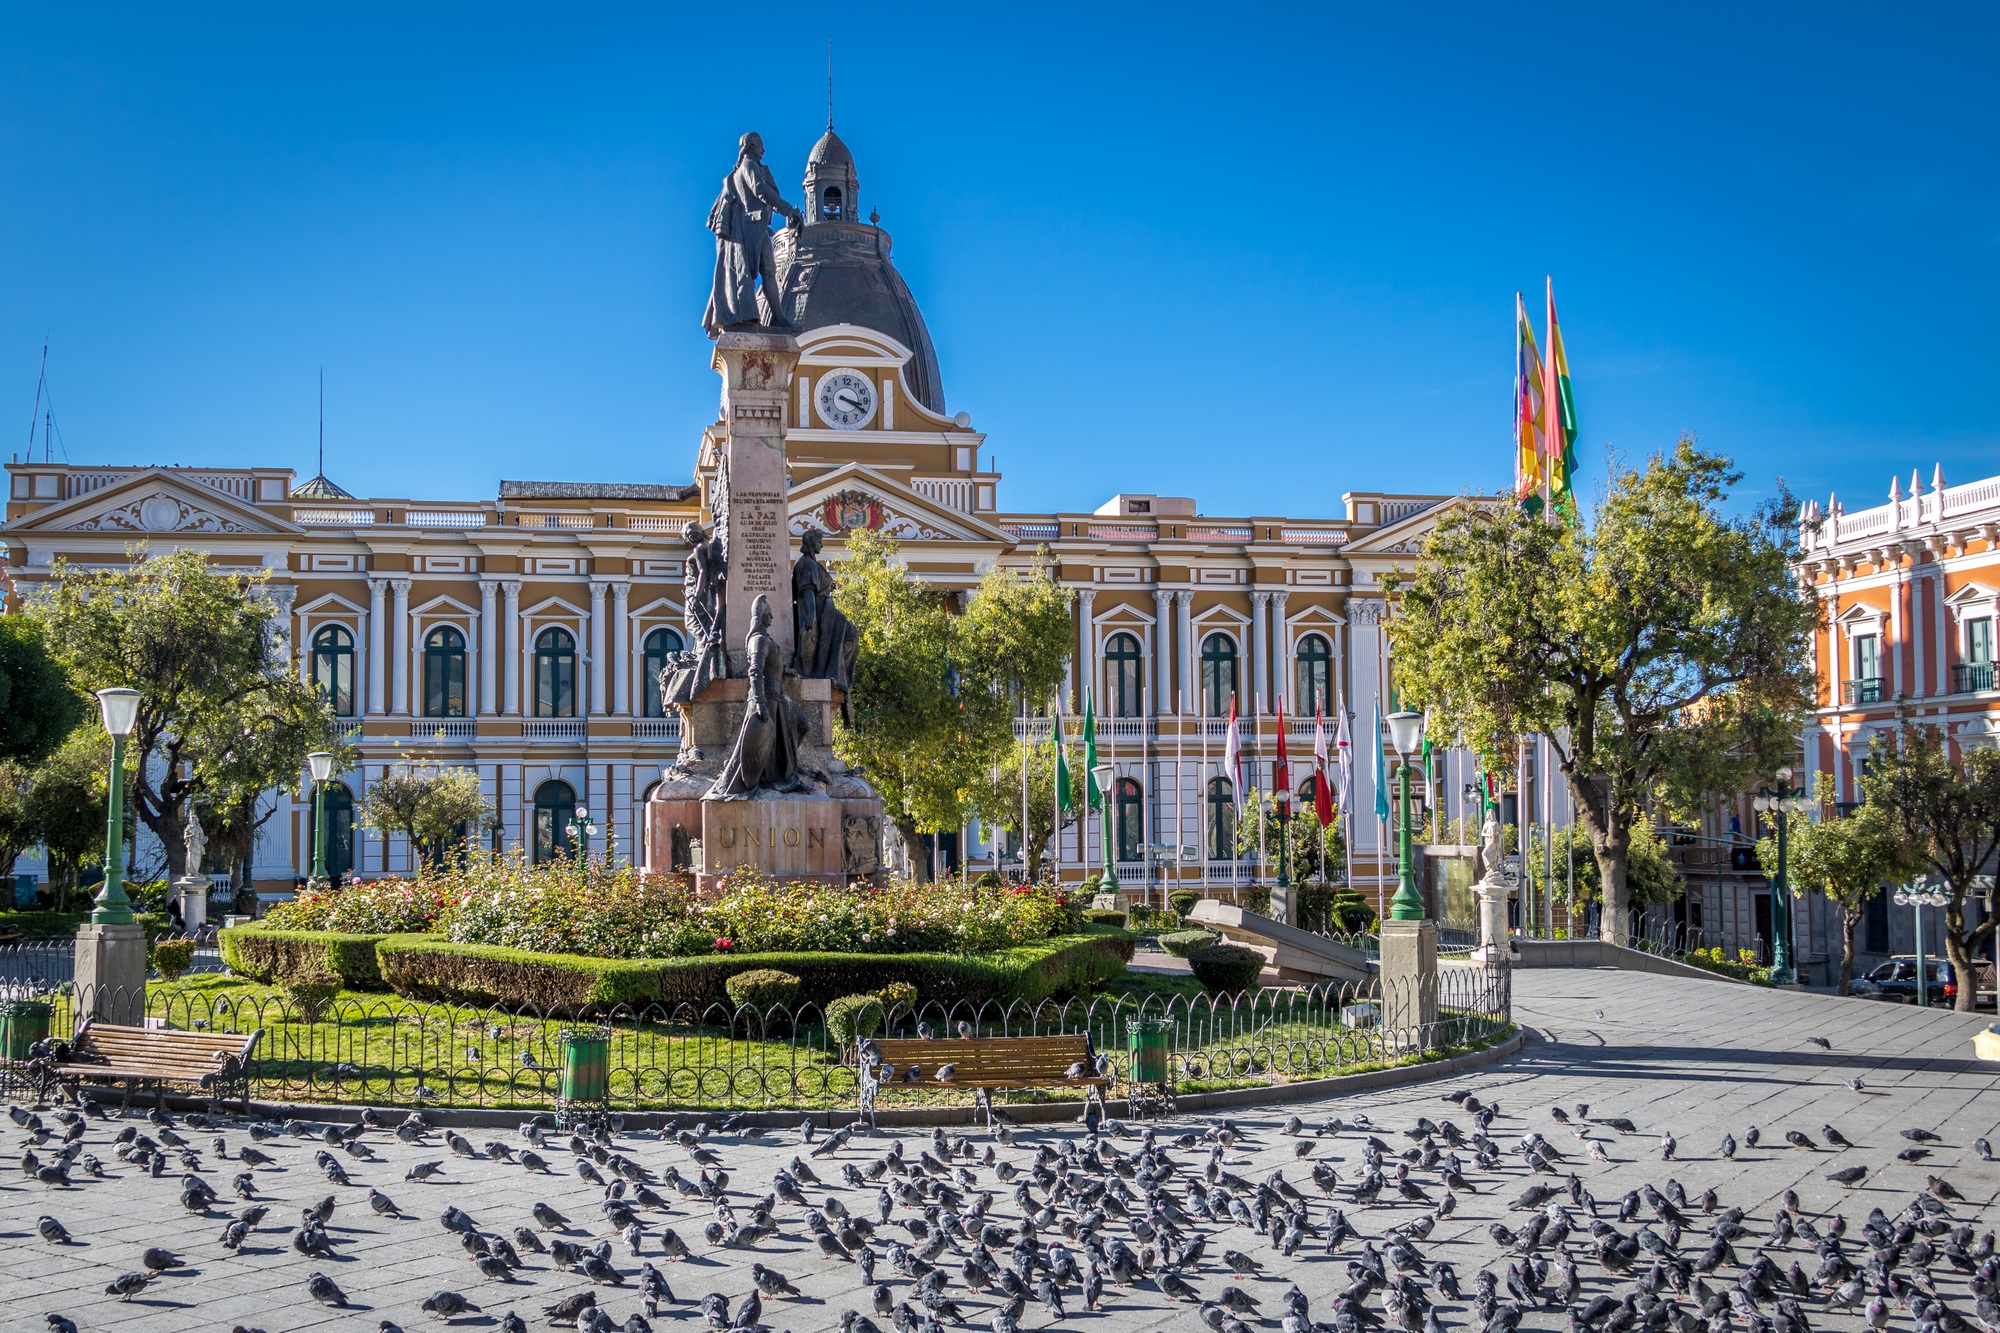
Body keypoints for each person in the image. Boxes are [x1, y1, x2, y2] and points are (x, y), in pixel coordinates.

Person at [702, 132, 803, 335]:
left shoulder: (746, 168)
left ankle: (778, 318)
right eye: (761, 145)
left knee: (769, 271)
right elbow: (760, 189)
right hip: (749, 228)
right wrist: (787, 210)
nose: (763, 150)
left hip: (757, 227)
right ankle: (772, 317)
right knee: (760, 272)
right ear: (751, 146)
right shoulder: (748, 165)